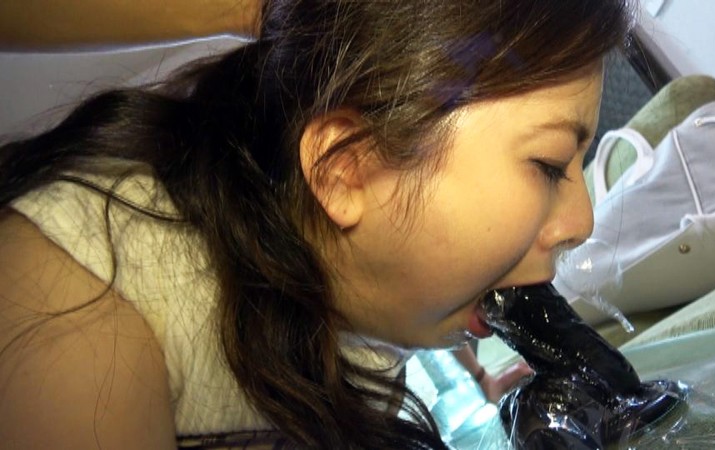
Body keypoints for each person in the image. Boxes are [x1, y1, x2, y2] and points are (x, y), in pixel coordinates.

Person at [0, 1, 631, 448]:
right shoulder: (73, 313)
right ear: (345, 168)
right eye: (550, 164)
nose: (581, 222)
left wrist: (486, 388)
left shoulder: (357, 305)